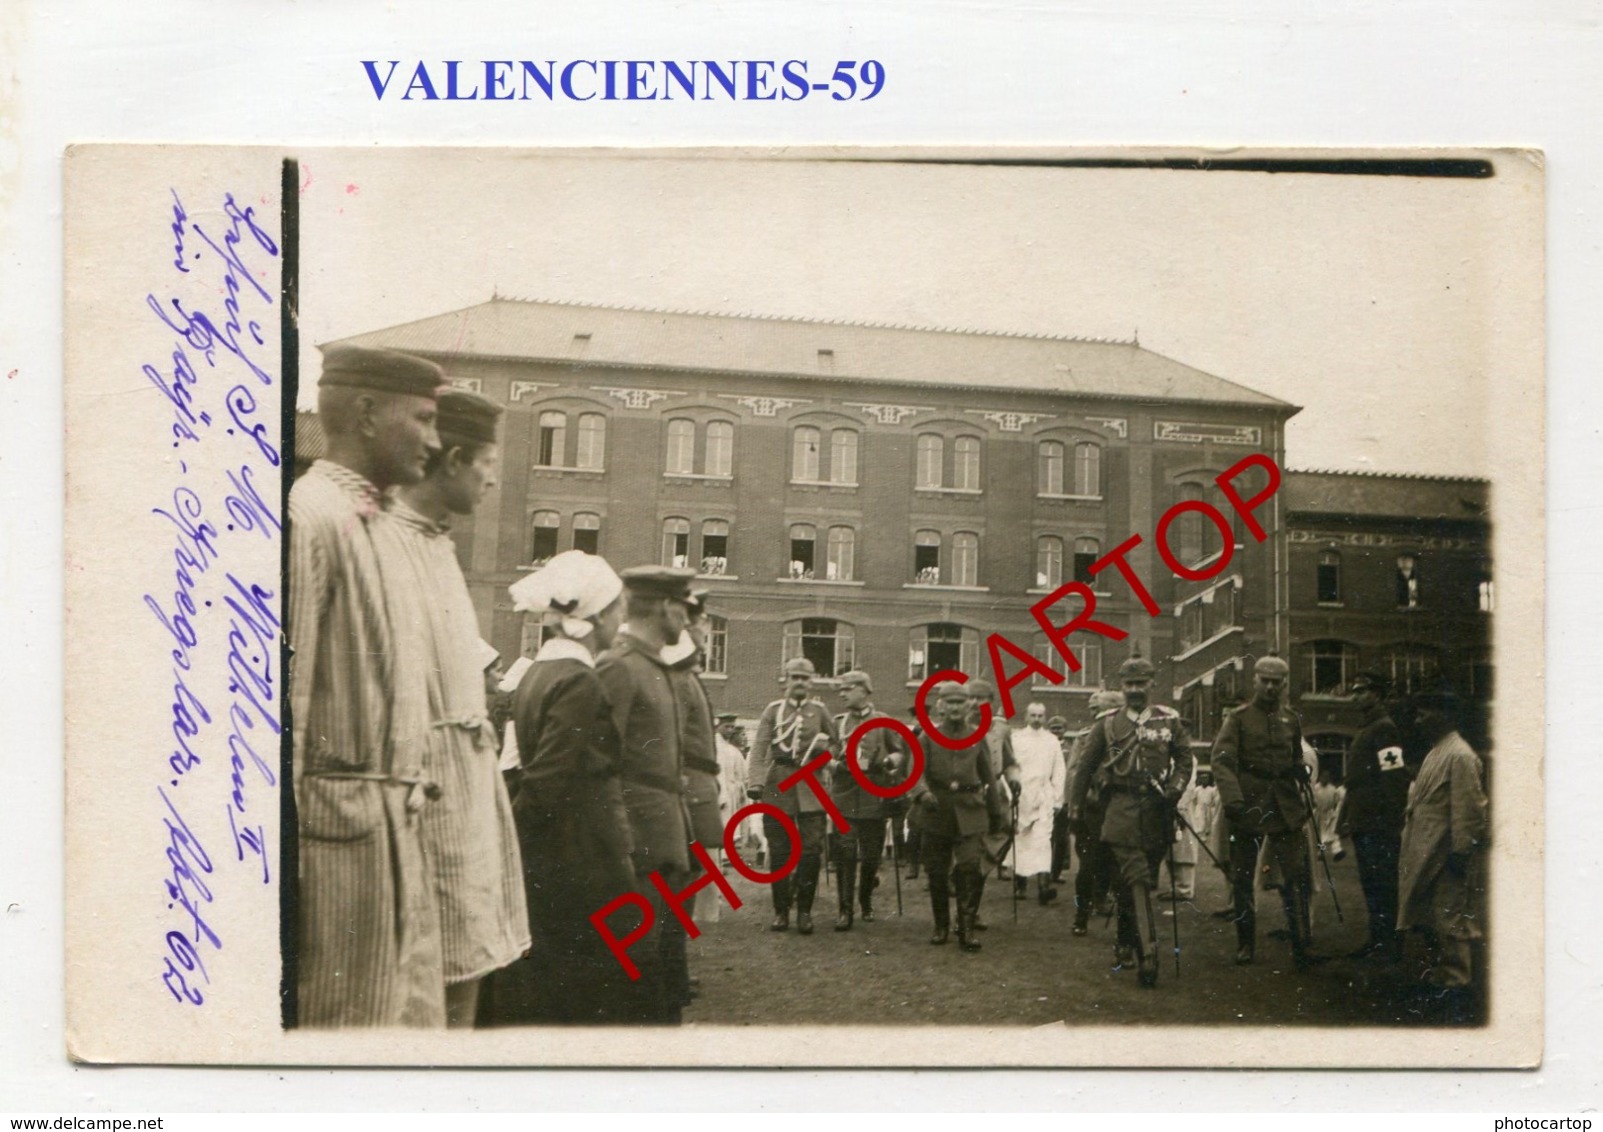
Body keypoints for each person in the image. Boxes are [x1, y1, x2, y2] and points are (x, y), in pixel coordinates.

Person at [288, 343, 448, 1028]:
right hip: (331, 854)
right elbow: (283, 714)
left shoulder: (381, 528)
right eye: (423, 420)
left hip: (390, 840)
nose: (436, 443)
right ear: (365, 411)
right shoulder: (309, 517)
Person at [387, 388, 529, 1027]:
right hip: (425, 803)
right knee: (428, 988)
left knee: (468, 968)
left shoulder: (438, 545)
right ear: (455, 458)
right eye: (488, 463)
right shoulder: (385, 543)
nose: (494, 479)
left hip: (466, 799)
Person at [478, 551, 640, 1026]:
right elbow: (549, 783)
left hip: (558, 855)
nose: (620, 621)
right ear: (589, 620)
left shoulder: (539, 674)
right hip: (579, 858)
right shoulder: (578, 681)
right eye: (615, 611)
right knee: (584, 992)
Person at [595, 564, 701, 1024]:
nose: (688, 617)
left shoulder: (656, 668)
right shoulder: (619, 669)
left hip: (668, 840)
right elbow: (601, 768)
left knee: (665, 970)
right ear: (664, 606)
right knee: (638, 967)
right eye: (683, 605)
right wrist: (621, 845)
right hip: (638, 844)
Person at [1067, 658, 1193, 988]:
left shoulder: (1169, 722)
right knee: (1135, 879)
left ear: (1152, 684)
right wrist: (1076, 806)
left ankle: (1124, 939)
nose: (1135, 691)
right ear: (1121, 687)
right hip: (1120, 812)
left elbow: (1184, 759)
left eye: (1141, 684)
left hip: (1157, 813)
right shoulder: (1107, 725)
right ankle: (1147, 954)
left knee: (1137, 884)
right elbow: (1085, 767)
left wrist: (1175, 789)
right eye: (1129, 685)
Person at [1212, 654, 1317, 970]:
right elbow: (1222, 761)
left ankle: (1301, 944)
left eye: (1277, 682)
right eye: (1265, 681)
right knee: (1242, 878)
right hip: (1248, 804)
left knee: (1296, 876)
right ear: (1254, 681)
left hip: (1285, 805)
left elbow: (1296, 758)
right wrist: (1233, 800)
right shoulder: (1239, 718)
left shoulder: (1291, 719)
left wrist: (1302, 770)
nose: (1271, 687)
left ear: (1285, 684)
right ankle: (1245, 944)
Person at [1397, 688, 1489, 1008]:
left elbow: (1470, 810)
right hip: (1427, 850)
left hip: (1448, 854)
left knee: (1451, 918)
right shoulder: (1436, 751)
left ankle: (1457, 984)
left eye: (1424, 714)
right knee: (1432, 917)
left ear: (1444, 716)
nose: (1418, 720)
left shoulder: (1460, 755)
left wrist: (1462, 852)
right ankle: (1440, 977)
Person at [746, 657, 842, 934]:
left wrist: (823, 755)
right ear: (785, 680)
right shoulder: (773, 711)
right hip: (779, 785)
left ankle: (804, 911)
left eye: (805, 678)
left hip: (811, 786)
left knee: (811, 851)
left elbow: (836, 744)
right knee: (779, 851)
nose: (799, 683)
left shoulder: (821, 711)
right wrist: (756, 783)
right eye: (794, 677)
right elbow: (759, 749)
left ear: (812, 681)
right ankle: (781, 911)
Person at [907, 681, 1003, 952]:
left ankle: (967, 927)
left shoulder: (977, 736)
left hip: (970, 811)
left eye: (960, 702)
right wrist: (922, 794)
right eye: (949, 702)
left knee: (970, 868)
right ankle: (941, 926)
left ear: (969, 705)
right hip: (936, 811)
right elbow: (914, 773)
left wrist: (996, 813)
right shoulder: (926, 737)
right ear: (940, 706)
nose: (955, 708)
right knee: (936, 872)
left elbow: (989, 779)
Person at [1339, 670, 1410, 962]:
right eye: (1354, 691)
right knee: (1372, 883)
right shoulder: (1368, 727)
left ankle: (1389, 945)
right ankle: (1377, 940)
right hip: (1365, 820)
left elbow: (1394, 778)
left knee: (1383, 883)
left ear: (1377, 694)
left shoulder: (1383, 728)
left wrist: (1390, 820)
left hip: (1378, 823)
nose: (1355, 696)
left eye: (1361, 690)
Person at [829, 670, 907, 928]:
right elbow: (826, 756)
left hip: (874, 797)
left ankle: (865, 900)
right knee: (846, 852)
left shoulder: (883, 722)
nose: (842, 693)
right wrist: (836, 766)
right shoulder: (838, 722)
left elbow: (899, 753)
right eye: (841, 689)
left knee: (872, 856)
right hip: (845, 796)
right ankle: (845, 910)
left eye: (847, 688)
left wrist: (888, 762)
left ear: (863, 690)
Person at [1066, 690, 1123, 937]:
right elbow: (1076, 773)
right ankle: (1081, 914)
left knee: (1116, 865)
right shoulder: (1087, 737)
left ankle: (1103, 900)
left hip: (1120, 809)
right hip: (1094, 808)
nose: (1095, 715)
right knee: (1087, 865)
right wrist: (1073, 807)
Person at [1006, 702, 1065, 905]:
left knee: (1042, 841)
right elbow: (1010, 767)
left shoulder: (1052, 741)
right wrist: (1010, 793)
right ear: (1026, 716)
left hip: (1043, 795)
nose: (1037, 719)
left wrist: (1057, 799)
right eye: (1033, 715)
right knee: (1021, 839)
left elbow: (1059, 771)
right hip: (1021, 795)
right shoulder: (1017, 739)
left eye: (1040, 715)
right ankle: (1020, 885)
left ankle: (1043, 887)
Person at [714, 712, 749, 863]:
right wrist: (721, 794)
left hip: (733, 789)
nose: (729, 730)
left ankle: (728, 853)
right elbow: (718, 772)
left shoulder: (730, 748)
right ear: (718, 727)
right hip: (722, 790)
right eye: (726, 726)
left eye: (732, 727)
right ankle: (722, 855)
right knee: (723, 821)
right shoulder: (716, 746)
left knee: (732, 822)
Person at [1047, 715, 1072, 885]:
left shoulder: (1070, 749)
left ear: (1065, 730)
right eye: (1053, 728)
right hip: (1045, 796)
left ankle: (1057, 871)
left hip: (1063, 796)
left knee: (1062, 837)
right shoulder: (1044, 747)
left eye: (1059, 728)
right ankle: (1044, 869)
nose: (1056, 732)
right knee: (1045, 836)